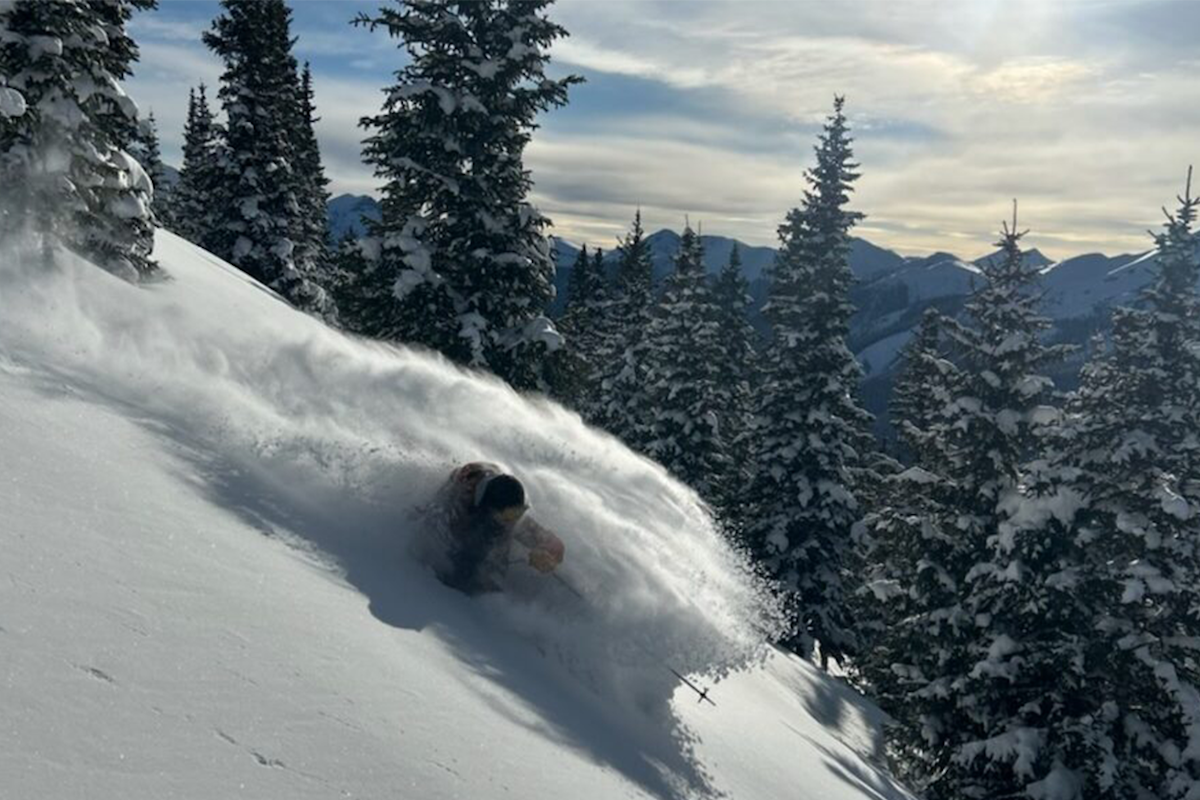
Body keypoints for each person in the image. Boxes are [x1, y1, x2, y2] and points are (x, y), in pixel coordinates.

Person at [425, 462, 565, 595]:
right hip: (469, 521)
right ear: (488, 511)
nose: (514, 521)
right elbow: (462, 572)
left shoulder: (507, 507)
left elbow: (553, 544)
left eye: (519, 513)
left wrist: (545, 552)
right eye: (509, 515)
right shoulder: (459, 506)